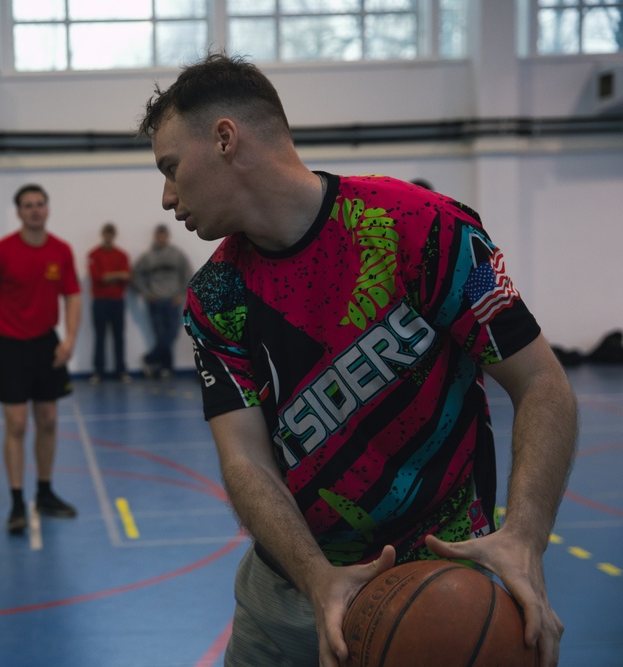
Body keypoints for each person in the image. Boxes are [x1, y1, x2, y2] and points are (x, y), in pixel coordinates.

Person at [137, 53, 576, 667]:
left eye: (170, 168)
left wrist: (526, 537)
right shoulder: (216, 296)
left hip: (445, 582)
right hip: (293, 590)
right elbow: (244, 458)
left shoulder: (427, 229)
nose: (165, 197)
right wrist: (317, 578)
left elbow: (540, 383)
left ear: (225, 139)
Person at [0, 184, 82, 534]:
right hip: (9, 345)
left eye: (40, 204)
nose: (35, 210)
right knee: (16, 424)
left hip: (45, 344)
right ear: (18, 212)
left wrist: (69, 341)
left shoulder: (61, 251)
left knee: (48, 420)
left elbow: (73, 297)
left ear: (47, 209)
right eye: (28, 205)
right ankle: (18, 502)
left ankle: (45, 493)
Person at [131, 223, 192, 379]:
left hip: (173, 301)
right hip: (155, 302)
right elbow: (135, 275)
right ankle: (166, 368)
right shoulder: (148, 257)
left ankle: (149, 359)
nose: (161, 239)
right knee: (161, 336)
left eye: (163, 236)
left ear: (167, 237)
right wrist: (146, 293)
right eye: (158, 236)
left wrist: (180, 294)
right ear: (155, 237)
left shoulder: (177, 254)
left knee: (171, 335)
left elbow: (188, 274)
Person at [87, 221, 132, 384]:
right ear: (103, 235)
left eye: (111, 233)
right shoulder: (93, 255)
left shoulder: (122, 255)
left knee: (119, 336)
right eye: (106, 233)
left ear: (114, 235)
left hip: (117, 302)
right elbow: (98, 277)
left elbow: (126, 277)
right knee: (100, 336)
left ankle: (121, 370)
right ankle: (98, 371)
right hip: (100, 302)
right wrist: (117, 275)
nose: (108, 236)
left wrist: (110, 276)